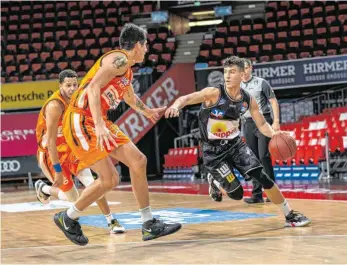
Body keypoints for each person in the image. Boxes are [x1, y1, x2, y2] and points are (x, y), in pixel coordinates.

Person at [54, 23, 181, 245]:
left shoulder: (127, 70)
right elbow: (93, 88)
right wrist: (101, 126)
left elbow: (129, 98)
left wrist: (147, 111)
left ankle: (148, 223)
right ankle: (68, 217)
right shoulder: (118, 59)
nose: (147, 50)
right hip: (82, 118)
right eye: (146, 45)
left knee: (138, 161)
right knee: (109, 179)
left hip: (98, 119)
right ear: (138, 45)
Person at [165, 56, 311, 227]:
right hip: (213, 152)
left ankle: (289, 214)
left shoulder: (248, 99)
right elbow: (187, 98)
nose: (227, 76)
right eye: (225, 72)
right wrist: (176, 106)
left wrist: (275, 135)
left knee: (262, 177)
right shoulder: (214, 93)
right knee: (236, 193)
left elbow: (262, 124)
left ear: (242, 75)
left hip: (235, 145)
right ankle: (214, 179)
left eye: (232, 72)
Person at [35, 69, 125, 234]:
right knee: (73, 199)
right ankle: (44, 189)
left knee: (94, 186)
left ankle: (111, 220)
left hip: (72, 149)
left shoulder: (79, 100)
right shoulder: (55, 105)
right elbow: (52, 142)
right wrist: (57, 171)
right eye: (68, 85)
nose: (72, 88)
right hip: (50, 153)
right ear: (60, 85)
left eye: (74, 85)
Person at [240, 58, 279, 204]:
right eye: (240, 69)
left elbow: (273, 101)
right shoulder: (237, 87)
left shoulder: (262, 82)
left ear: (250, 68)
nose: (243, 72)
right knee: (253, 160)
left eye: (245, 68)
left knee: (264, 157)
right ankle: (257, 195)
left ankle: (272, 193)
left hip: (263, 121)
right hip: (248, 123)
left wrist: (276, 122)